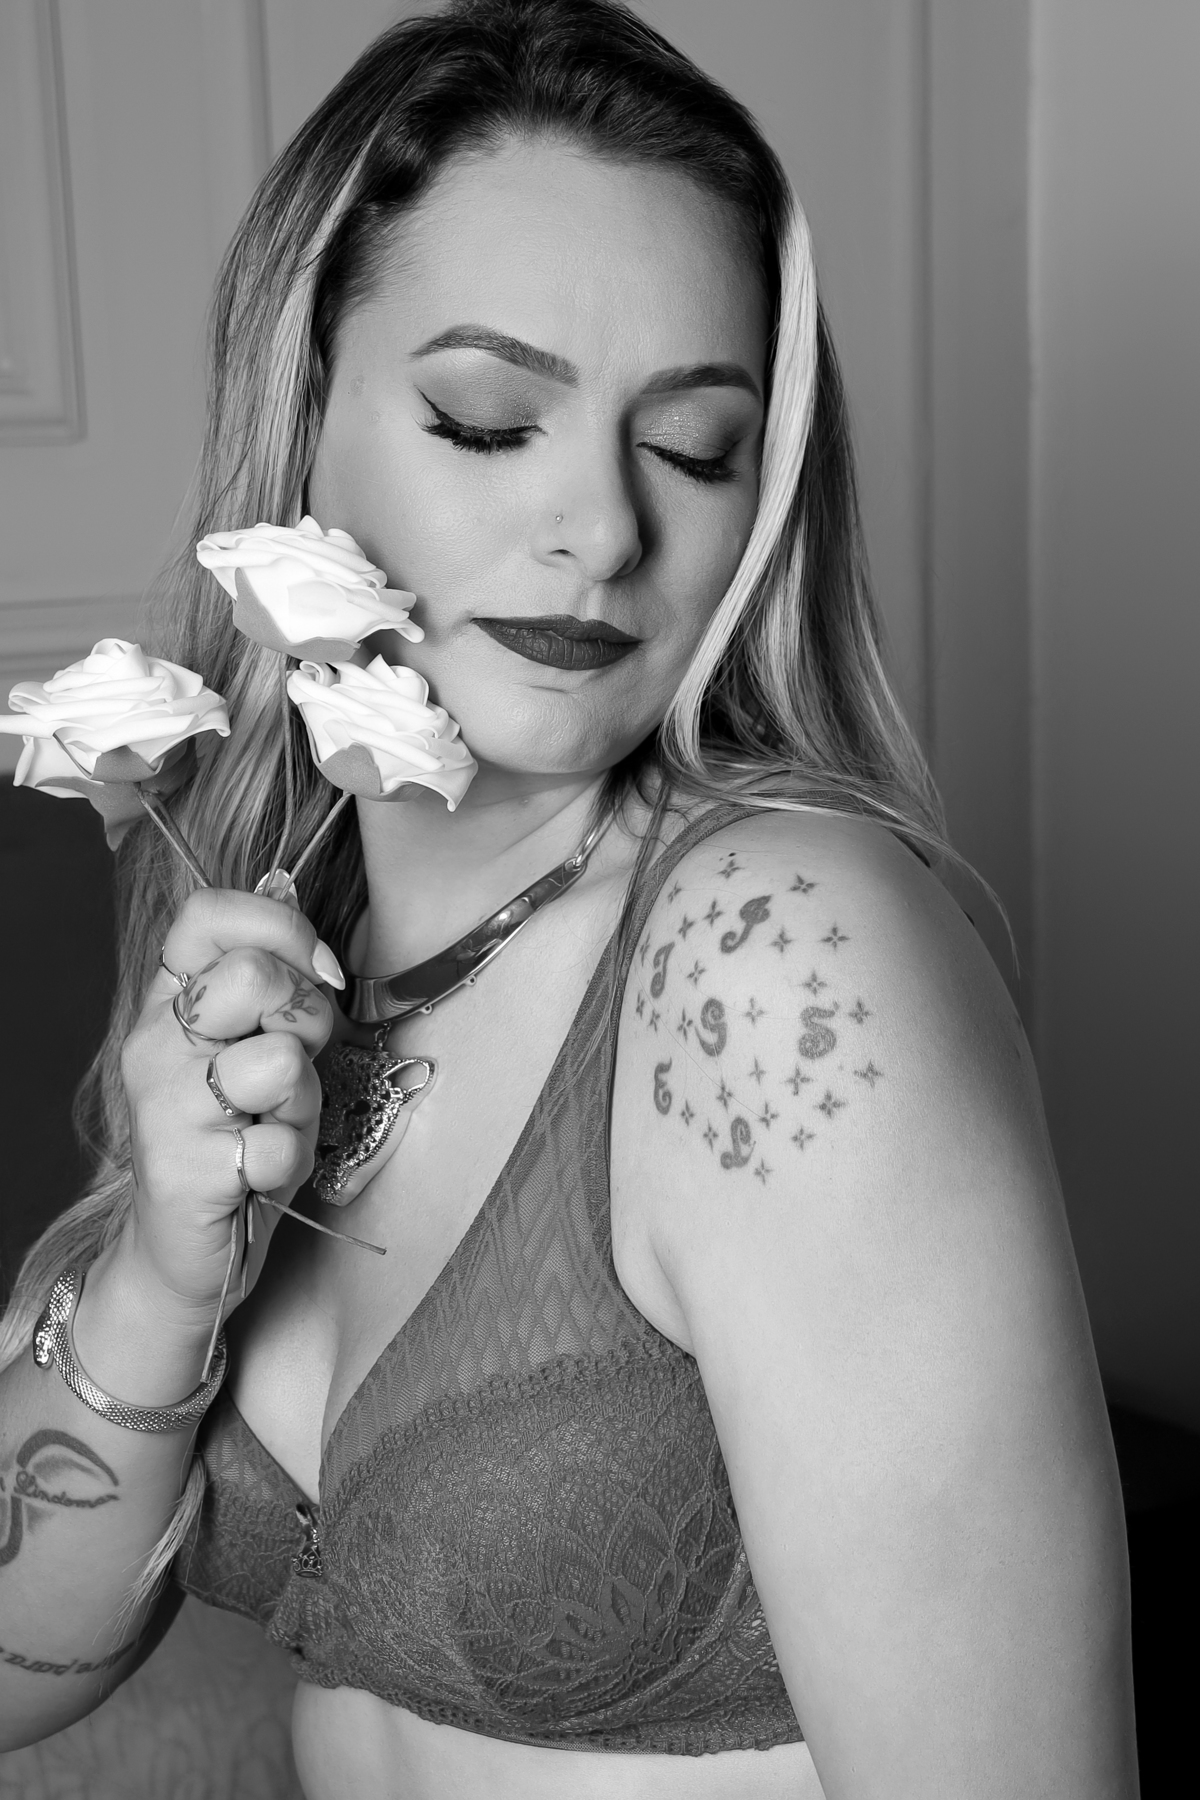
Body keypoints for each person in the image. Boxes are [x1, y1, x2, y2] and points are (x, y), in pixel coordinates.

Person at [0, 2, 1136, 1794]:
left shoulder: (773, 961)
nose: (603, 528)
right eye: (486, 420)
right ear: (302, 424)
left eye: (693, 447)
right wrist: (163, 1266)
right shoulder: (268, 927)